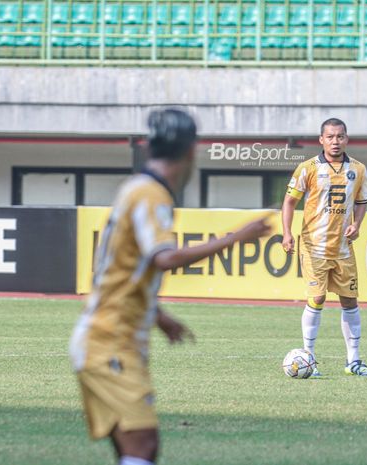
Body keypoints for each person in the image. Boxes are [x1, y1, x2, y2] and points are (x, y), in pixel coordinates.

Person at [69, 108, 271, 465]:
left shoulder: (136, 189)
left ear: (149, 147)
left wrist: (159, 316)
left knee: (133, 448)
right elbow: (163, 258)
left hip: (105, 338)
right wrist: (234, 239)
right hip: (110, 341)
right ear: (192, 151)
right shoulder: (152, 195)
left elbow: (125, 268)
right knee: (143, 444)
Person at [281, 117, 367, 377]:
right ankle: (309, 357)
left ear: (347, 139)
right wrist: (287, 233)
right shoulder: (307, 168)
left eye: (340, 136)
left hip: (343, 248)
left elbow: (362, 201)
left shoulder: (358, 169)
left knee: (350, 300)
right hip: (314, 246)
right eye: (330, 137)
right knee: (318, 298)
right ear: (321, 140)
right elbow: (289, 202)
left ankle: (353, 362)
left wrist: (357, 224)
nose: (335, 141)